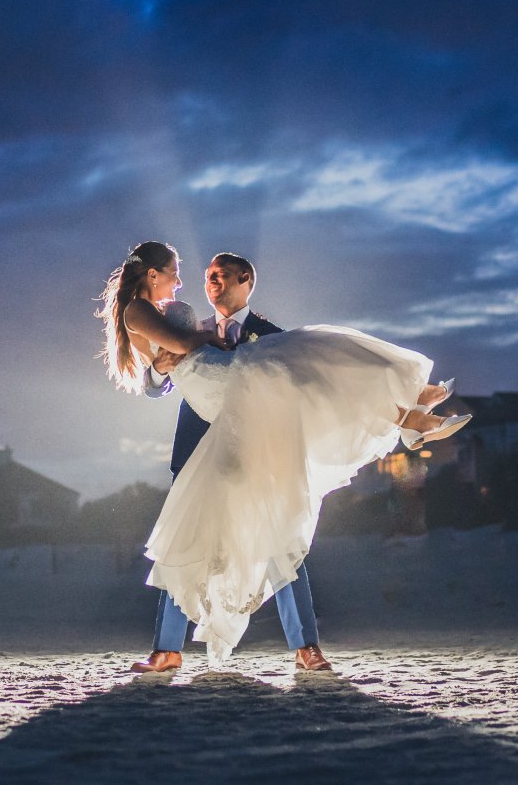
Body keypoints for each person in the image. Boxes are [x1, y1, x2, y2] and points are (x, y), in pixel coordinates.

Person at [97, 242, 464, 665]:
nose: (199, 282)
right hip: (205, 432)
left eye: (219, 275)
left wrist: (191, 348)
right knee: (191, 537)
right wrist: (166, 364)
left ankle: (306, 646)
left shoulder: (270, 336)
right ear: (155, 273)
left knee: (279, 530)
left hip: (260, 435)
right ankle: (167, 649)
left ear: (245, 281)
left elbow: (307, 386)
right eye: (196, 276)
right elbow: (156, 376)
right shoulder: (178, 318)